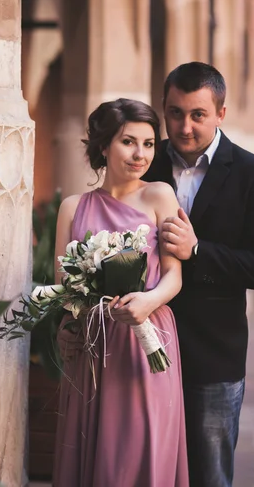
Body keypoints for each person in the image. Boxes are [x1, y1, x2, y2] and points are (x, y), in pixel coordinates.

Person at [143, 61, 254, 487]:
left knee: (210, 476)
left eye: (198, 115)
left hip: (213, 354)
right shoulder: (143, 168)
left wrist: (198, 251)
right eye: (174, 113)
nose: (184, 127)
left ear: (220, 113)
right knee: (150, 469)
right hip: (143, 347)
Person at [53, 99, 189, 487]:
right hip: (91, 344)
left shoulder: (159, 195)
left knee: (139, 448)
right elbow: (64, 289)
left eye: (149, 144)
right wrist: (71, 321)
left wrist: (147, 302)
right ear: (103, 146)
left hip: (145, 340)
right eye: (129, 142)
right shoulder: (71, 207)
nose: (141, 154)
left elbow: (173, 277)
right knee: (90, 446)